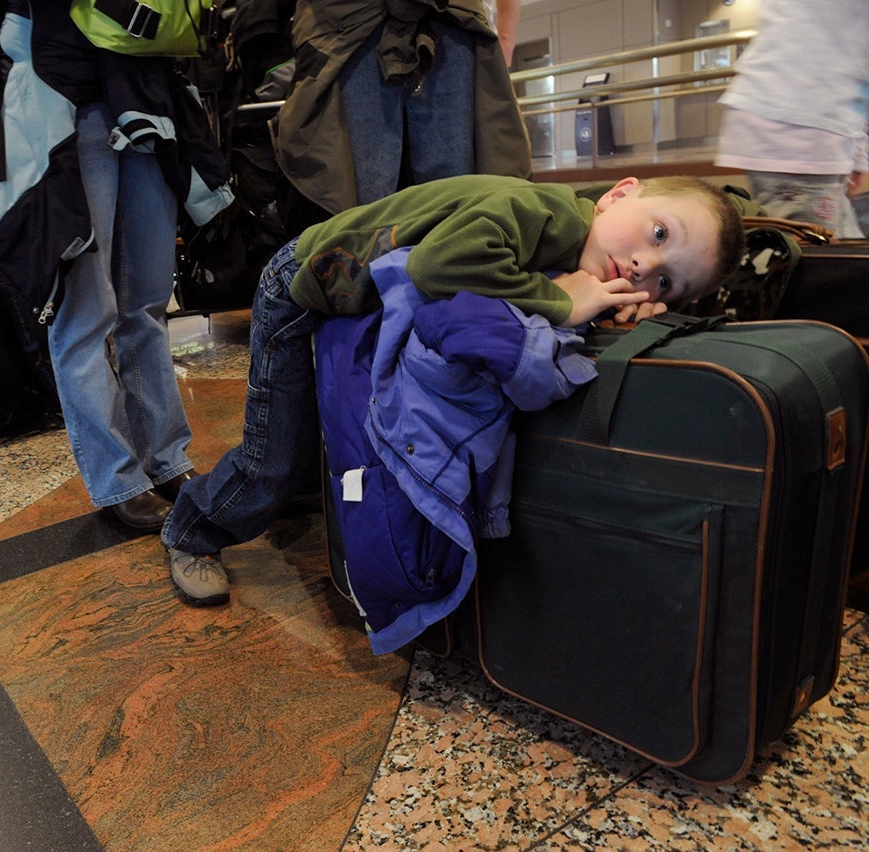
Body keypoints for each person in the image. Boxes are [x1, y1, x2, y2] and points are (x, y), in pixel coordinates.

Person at [160, 174, 746, 606]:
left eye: (666, 278)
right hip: (302, 283)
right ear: (619, 193)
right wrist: (565, 301)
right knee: (275, 455)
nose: (644, 264)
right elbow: (438, 268)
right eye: (660, 232)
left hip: (351, 294)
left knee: (324, 432)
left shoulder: (578, 247)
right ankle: (193, 530)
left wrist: (597, 306)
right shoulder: (543, 213)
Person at [0, 1, 233, 531]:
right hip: (64, 104)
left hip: (142, 96)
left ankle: (166, 459)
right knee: (87, 314)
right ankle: (118, 480)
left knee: (146, 305)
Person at [274, 0, 531, 228]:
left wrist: (505, 38)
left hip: (449, 18)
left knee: (455, 208)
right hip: (349, 22)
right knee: (364, 211)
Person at [714, 0, 869, 239]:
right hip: (802, 123)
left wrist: (860, 151)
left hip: (805, 117)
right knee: (815, 258)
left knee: (836, 249)